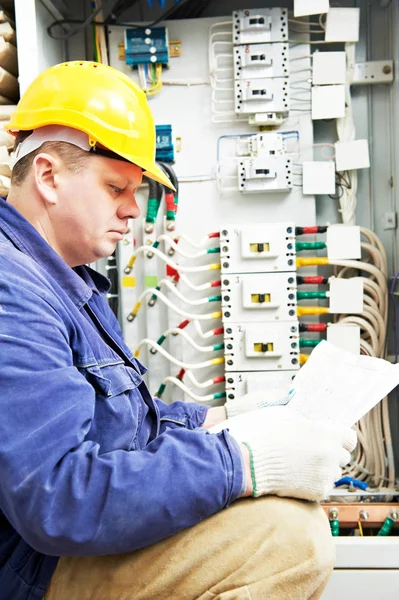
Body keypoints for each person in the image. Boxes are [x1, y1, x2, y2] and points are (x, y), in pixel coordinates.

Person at [0, 61, 356, 600]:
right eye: (116, 186)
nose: (132, 210)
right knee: (287, 540)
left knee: (286, 519)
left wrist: (225, 420)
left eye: (137, 190)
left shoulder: (64, 280)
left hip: (57, 552)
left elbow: (118, 426)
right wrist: (242, 460)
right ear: (48, 176)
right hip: (35, 569)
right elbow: (59, 497)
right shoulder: (13, 293)